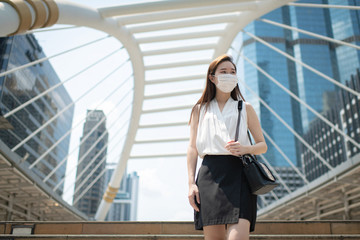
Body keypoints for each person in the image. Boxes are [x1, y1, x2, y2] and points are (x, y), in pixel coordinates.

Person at [187, 54, 268, 240]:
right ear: (212, 77)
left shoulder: (244, 107)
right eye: (223, 72)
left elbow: (262, 146)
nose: (229, 75)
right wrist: (191, 183)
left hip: (239, 174)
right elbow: (192, 148)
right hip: (209, 176)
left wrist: (245, 149)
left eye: (233, 72)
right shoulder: (199, 110)